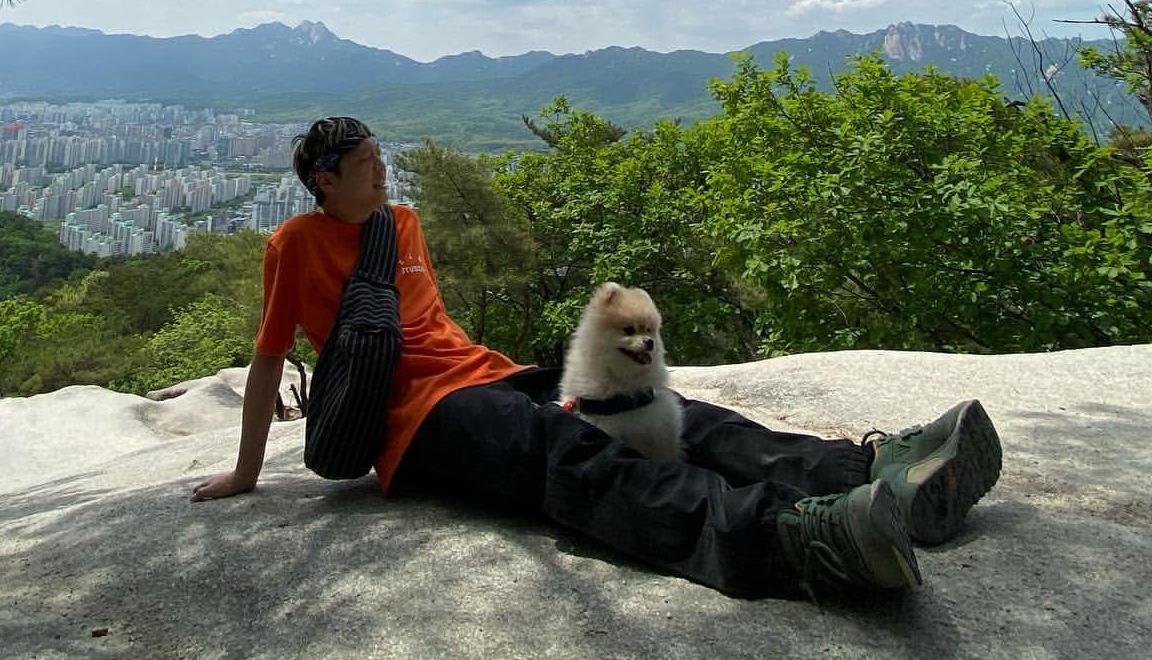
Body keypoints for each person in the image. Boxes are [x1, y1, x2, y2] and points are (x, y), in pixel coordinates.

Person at [192, 116, 1003, 601]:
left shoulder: (398, 223)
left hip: (487, 376)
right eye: (366, 160)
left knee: (646, 406)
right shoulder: (293, 244)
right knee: (570, 452)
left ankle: (870, 473)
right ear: (325, 181)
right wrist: (247, 472)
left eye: (379, 154)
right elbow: (269, 361)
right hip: (418, 421)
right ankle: (793, 540)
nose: (382, 167)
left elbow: (433, 325)